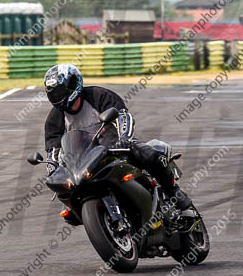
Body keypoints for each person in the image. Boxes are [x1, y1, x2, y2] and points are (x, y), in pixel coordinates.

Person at [42, 64, 192, 213]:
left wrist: (125, 137)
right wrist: (53, 170)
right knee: (70, 211)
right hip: (85, 163)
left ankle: (173, 191)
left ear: (73, 84)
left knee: (149, 155)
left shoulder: (98, 96)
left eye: (60, 91)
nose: (57, 96)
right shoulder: (54, 119)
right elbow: (52, 150)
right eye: (53, 93)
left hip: (116, 148)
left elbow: (123, 116)